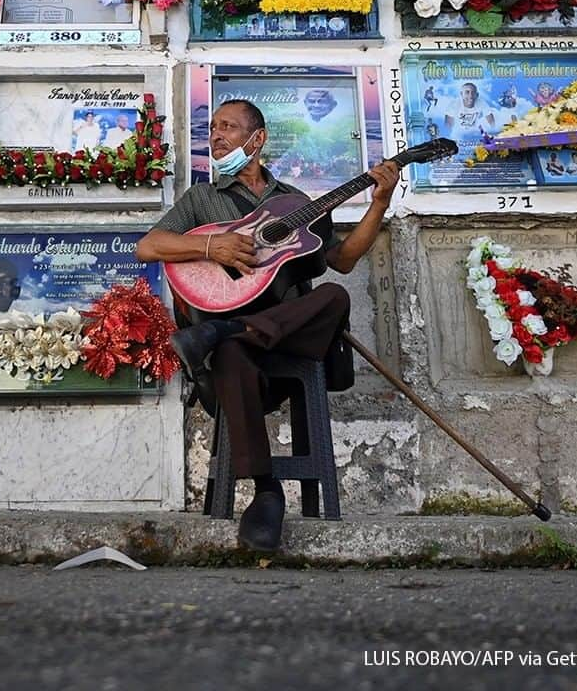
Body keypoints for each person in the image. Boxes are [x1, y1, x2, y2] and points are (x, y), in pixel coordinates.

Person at [136, 100, 399, 552]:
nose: (216, 135)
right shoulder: (203, 199)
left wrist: (379, 203)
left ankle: (226, 332)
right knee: (232, 351)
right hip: (239, 358)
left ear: (257, 140)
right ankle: (266, 492)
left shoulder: (295, 202)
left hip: (291, 341)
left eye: (229, 127)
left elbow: (344, 259)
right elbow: (148, 246)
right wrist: (211, 247)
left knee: (334, 296)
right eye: (213, 127)